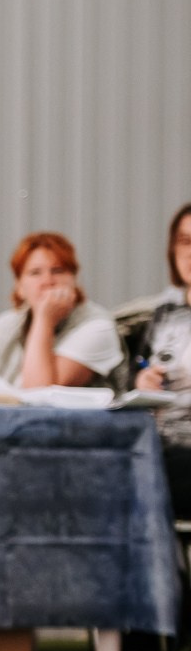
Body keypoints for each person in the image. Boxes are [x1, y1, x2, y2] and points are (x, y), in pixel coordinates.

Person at [0, 232, 123, 389]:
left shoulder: (97, 326)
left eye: (58, 271)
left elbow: (38, 390)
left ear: (74, 280)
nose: (48, 281)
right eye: (35, 273)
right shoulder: (3, 326)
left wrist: (44, 320)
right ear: (19, 287)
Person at [129, 203, 191, 518]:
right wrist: (143, 382)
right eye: (185, 241)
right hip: (158, 443)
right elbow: (138, 370)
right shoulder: (164, 315)